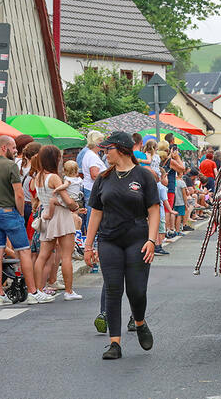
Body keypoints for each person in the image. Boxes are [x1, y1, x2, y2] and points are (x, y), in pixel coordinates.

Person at [84, 131, 160, 360]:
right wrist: (89, 246)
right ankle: (114, 343)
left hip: (138, 239)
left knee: (136, 290)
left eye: (109, 149)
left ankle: (140, 321)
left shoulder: (143, 176)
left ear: (122, 149)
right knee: (113, 289)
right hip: (109, 240)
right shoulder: (103, 178)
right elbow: (95, 213)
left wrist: (152, 240)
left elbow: (154, 210)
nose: (105, 152)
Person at [0, 136, 44, 305]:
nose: (16, 151)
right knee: (24, 251)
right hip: (9, 211)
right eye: (14, 147)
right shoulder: (11, 166)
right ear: (4, 148)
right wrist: (21, 213)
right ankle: (33, 292)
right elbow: (19, 194)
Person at [33, 145, 82, 301]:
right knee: (66, 256)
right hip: (61, 217)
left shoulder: (38, 177)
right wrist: (75, 206)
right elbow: (67, 201)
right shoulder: (54, 178)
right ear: (54, 159)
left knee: (42, 256)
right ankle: (68, 291)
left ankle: (37, 290)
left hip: (46, 215)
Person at [81, 131, 106, 234]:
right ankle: (93, 240)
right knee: (93, 215)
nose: (103, 143)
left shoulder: (90, 154)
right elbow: (94, 174)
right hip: (92, 189)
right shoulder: (92, 156)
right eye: (101, 140)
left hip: (90, 188)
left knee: (91, 215)